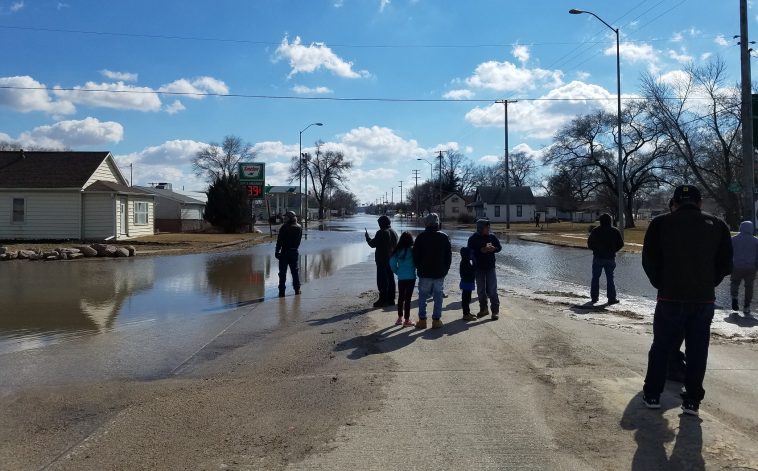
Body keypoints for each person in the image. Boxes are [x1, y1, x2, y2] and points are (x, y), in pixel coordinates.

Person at [641, 185, 732, 416]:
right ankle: (692, 400)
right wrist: (709, 283)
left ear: (675, 202)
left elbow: (649, 259)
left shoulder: (661, 223)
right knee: (698, 350)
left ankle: (652, 394)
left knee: (661, 346)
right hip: (703, 299)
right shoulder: (717, 225)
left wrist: (660, 282)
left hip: (670, 296)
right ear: (699, 202)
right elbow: (726, 263)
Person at [412, 213, 452, 329]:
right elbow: (448, 256)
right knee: (438, 296)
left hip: (424, 272)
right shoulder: (444, 237)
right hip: (440, 272)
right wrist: (446, 269)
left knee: (423, 296)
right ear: (437, 223)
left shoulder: (421, 237)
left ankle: (422, 320)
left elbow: (415, 256)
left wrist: (419, 267)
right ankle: (436, 320)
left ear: (426, 223)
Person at [467, 219, 502, 320]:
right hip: (478, 267)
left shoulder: (492, 237)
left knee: (492, 290)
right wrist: (481, 250)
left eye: (488, 227)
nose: (488, 229)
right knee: (481, 290)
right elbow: (469, 253)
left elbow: (499, 247)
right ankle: (483, 309)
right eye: (486, 228)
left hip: (490, 267)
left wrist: (494, 249)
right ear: (480, 228)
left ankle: (495, 311)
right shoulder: (473, 238)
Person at [587, 213, 624, 305]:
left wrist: (595, 250)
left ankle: (594, 298)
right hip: (610, 258)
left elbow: (589, 244)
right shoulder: (615, 231)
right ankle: (611, 298)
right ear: (610, 221)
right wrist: (614, 250)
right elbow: (621, 244)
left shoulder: (595, 231)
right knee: (610, 278)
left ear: (600, 221)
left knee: (595, 278)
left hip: (598, 258)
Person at [365, 215, 399, 308]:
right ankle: (391, 299)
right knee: (391, 279)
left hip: (382, 260)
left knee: (382, 280)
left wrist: (367, 237)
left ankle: (383, 300)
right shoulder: (394, 232)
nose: (379, 225)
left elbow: (372, 244)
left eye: (379, 223)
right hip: (391, 259)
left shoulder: (381, 232)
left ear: (382, 223)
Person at [730, 220, 758, 315]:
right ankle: (746, 306)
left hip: (736, 265)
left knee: (734, 282)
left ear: (741, 227)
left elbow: (729, 252)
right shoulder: (756, 241)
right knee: (749, 286)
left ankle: (734, 298)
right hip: (751, 267)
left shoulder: (733, 239)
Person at [389, 232, 417, 327]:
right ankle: (407, 320)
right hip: (411, 277)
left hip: (401, 278)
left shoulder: (398, 250)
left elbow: (392, 263)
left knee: (401, 298)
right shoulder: (413, 250)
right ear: (410, 240)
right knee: (408, 299)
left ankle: (400, 318)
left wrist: (397, 272)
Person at [275, 211, 303, 298]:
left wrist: (277, 251)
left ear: (290, 218)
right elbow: (299, 241)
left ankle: (282, 292)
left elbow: (279, 241)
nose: (284, 218)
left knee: (282, 273)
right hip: (294, 251)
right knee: (295, 272)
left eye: (286, 217)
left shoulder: (284, 227)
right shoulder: (299, 227)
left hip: (285, 252)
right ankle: (297, 290)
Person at [459, 247, 477, 321]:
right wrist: (474, 260)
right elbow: (473, 269)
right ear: (467, 255)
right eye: (471, 254)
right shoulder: (465, 263)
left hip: (466, 283)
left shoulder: (465, 261)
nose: (472, 255)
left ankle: (467, 313)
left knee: (467, 299)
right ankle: (466, 314)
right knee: (466, 299)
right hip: (467, 283)